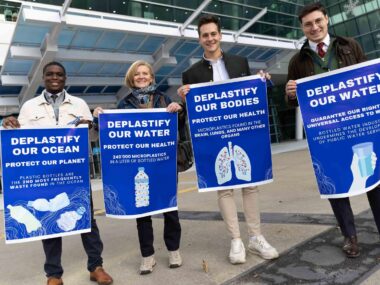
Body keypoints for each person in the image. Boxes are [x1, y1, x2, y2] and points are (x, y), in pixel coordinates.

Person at [177, 14, 279, 264]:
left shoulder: (239, 62)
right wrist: (183, 97)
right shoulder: (191, 74)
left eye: (213, 33)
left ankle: (255, 237)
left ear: (220, 35)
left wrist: (263, 81)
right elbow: (191, 109)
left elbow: (253, 93)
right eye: (205, 35)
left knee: (250, 183)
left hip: (243, 131)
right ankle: (236, 240)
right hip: (214, 136)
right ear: (199, 39)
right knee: (223, 188)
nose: (210, 38)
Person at [2, 61, 113, 285]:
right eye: (50, 74)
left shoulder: (80, 104)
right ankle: (54, 274)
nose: (55, 77)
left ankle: (96, 266)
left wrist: (92, 126)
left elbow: (92, 139)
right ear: (43, 78)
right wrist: (8, 124)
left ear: (65, 78)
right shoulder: (29, 107)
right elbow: (21, 138)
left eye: (59, 74)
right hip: (45, 176)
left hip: (75, 175)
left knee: (87, 220)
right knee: (49, 223)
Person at [285, 2, 380, 258]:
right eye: (308, 24)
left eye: (318, 21)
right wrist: (290, 93)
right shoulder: (298, 60)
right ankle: (350, 237)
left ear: (326, 20)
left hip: (358, 126)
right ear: (302, 28)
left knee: (375, 180)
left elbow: (369, 80)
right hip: (326, 135)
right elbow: (293, 100)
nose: (314, 27)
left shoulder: (350, 46)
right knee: (336, 184)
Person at [93, 60, 183, 275]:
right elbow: (112, 130)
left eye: (145, 73)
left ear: (152, 77)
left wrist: (178, 109)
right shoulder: (125, 104)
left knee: (169, 209)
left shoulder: (164, 99)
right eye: (137, 74)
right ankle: (147, 255)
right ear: (131, 79)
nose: (141, 77)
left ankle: (174, 250)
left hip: (163, 164)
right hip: (138, 166)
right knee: (142, 211)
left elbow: (178, 127)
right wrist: (99, 119)